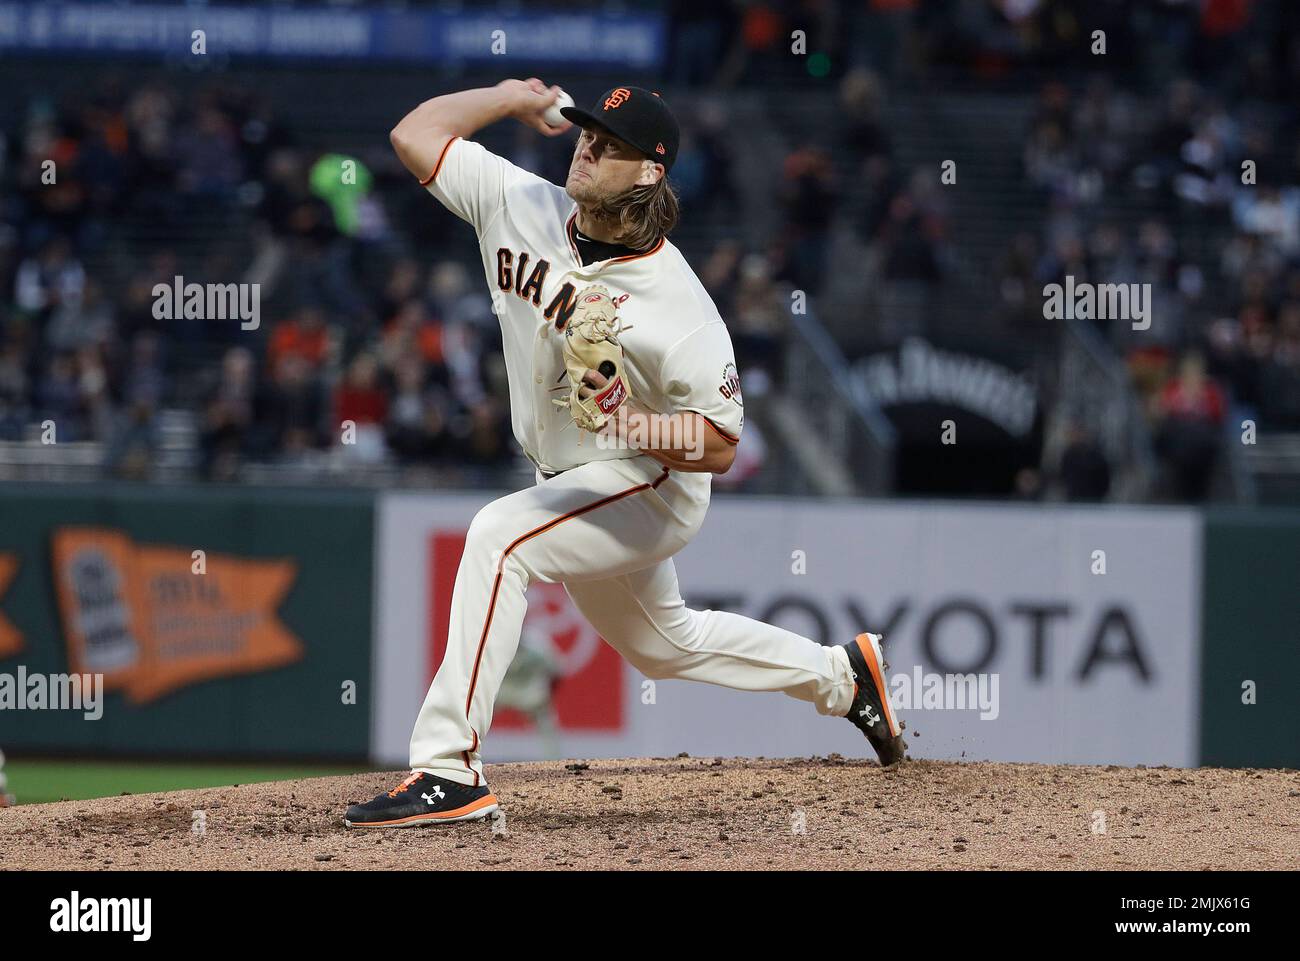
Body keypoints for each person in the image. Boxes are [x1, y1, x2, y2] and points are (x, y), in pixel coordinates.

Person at [344, 80, 904, 829]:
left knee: (499, 539)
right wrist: (511, 96)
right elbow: (415, 133)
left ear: (648, 172)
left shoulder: (681, 309)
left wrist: (634, 422)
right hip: (569, 478)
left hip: (649, 484)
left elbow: (720, 443)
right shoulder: (520, 204)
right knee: (666, 645)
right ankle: (845, 676)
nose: (588, 144)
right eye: (586, 131)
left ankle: (449, 768)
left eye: (609, 142)